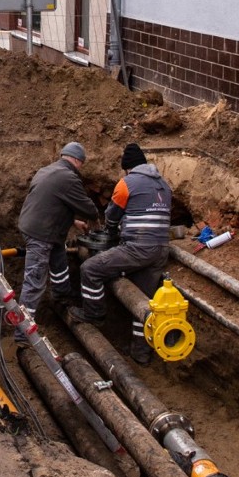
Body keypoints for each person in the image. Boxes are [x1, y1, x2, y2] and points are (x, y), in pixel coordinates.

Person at [79, 142, 173, 365]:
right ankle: (141, 353)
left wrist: (111, 230)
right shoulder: (164, 185)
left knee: (89, 269)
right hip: (161, 250)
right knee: (144, 304)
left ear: (127, 168)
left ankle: (94, 315)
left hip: (138, 248)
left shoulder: (126, 183)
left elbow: (112, 215)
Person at [18, 142, 98, 319]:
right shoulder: (68, 178)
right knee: (34, 283)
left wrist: (72, 220)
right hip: (40, 234)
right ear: (77, 161)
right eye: (81, 164)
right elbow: (89, 209)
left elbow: (51, 203)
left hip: (36, 226)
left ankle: (61, 297)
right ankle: (22, 333)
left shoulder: (46, 170)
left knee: (59, 259)